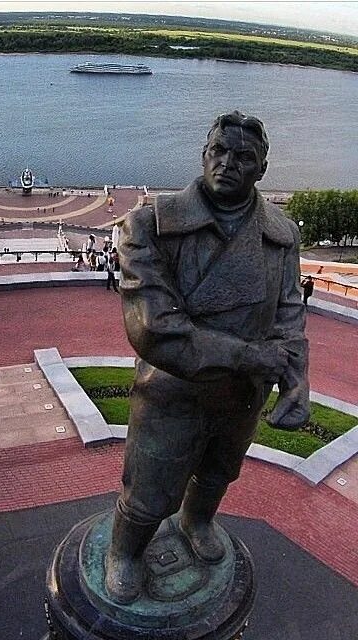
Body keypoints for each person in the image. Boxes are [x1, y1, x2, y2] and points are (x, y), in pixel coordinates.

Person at [104, 111, 310, 604]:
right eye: (218, 151)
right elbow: (154, 329)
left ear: (261, 168)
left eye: (243, 157)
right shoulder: (149, 226)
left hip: (241, 396)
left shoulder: (280, 235)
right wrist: (250, 358)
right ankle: (124, 553)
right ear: (203, 155)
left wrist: (296, 381)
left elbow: (289, 316)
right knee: (149, 493)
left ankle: (197, 521)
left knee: (220, 472)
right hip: (173, 391)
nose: (227, 163)